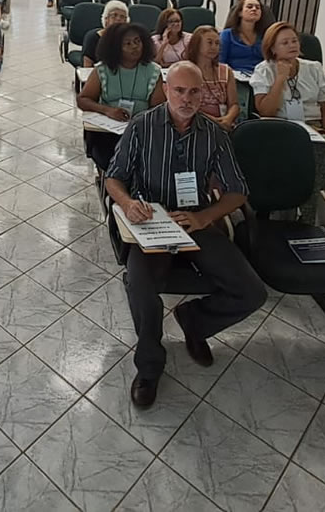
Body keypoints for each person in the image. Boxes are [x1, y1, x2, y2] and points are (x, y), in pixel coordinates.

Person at [107, 62, 267, 407]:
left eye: (194, 92)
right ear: (166, 90)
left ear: (202, 93)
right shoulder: (142, 126)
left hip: (195, 220)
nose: (187, 99)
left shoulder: (214, 133)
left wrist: (205, 217)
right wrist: (129, 203)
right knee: (142, 289)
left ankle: (195, 322)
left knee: (252, 292)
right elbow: (113, 178)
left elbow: (238, 191)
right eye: (179, 91)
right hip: (151, 222)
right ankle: (149, 367)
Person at [77, 23, 165, 172]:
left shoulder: (153, 71)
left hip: (142, 131)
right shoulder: (102, 70)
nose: (134, 47)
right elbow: (83, 100)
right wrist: (107, 110)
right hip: (108, 133)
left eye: (137, 41)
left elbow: (159, 108)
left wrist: (139, 120)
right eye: (127, 43)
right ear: (115, 47)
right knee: (112, 160)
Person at [251, 21, 325, 134]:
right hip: (279, 127)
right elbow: (266, 112)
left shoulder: (314, 68)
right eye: (285, 43)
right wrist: (280, 79)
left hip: (313, 126)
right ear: (272, 48)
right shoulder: (264, 70)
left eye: (294, 41)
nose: (292, 45)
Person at [184, 26, 240, 131]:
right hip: (195, 125)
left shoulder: (226, 71)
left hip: (224, 125)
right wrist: (213, 121)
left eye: (217, 43)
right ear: (197, 44)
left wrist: (227, 119)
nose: (214, 47)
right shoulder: (185, 71)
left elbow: (234, 104)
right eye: (209, 43)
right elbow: (185, 104)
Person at [220, 0, 268, 75]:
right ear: (240, 12)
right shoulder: (227, 34)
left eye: (258, 7)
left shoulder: (265, 36)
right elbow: (220, 62)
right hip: (234, 76)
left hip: (260, 77)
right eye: (249, 7)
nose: (254, 9)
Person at [82, 0, 129, 68]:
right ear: (106, 19)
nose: (118, 19)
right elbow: (87, 67)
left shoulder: (129, 39)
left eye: (122, 17)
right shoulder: (93, 38)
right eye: (114, 15)